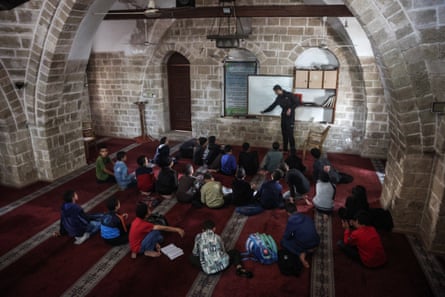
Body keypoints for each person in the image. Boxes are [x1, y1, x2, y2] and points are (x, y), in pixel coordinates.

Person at [261, 85, 300, 151]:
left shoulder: (289, 95)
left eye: (275, 92)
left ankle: (293, 152)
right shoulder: (278, 98)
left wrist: (290, 109)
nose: (275, 93)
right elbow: (272, 106)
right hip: (283, 117)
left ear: (278, 90)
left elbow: (298, 103)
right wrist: (264, 111)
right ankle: (285, 150)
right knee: (284, 134)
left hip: (290, 117)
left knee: (290, 135)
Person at [281, 203, 320, 268]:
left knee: (283, 242)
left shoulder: (291, 221)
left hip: (307, 246)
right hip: (317, 242)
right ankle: (309, 250)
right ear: (296, 209)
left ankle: (301, 253)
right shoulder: (306, 216)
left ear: (288, 213)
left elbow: (286, 236)